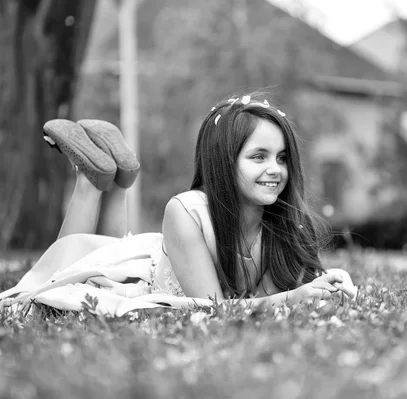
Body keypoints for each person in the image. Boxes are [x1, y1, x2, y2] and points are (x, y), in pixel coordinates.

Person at [0, 93, 356, 315]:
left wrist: (326, 283)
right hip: (140, 277)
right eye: (258, 157)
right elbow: (213, 310)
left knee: (98, 252)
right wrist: (297, 298)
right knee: (66, 271)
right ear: (223, 161)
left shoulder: (283, 221)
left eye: (281, 158)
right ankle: (89, 181)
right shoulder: (186, 211)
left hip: (155, 257)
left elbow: (271, 297)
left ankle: (119, 182)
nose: (275, 170)